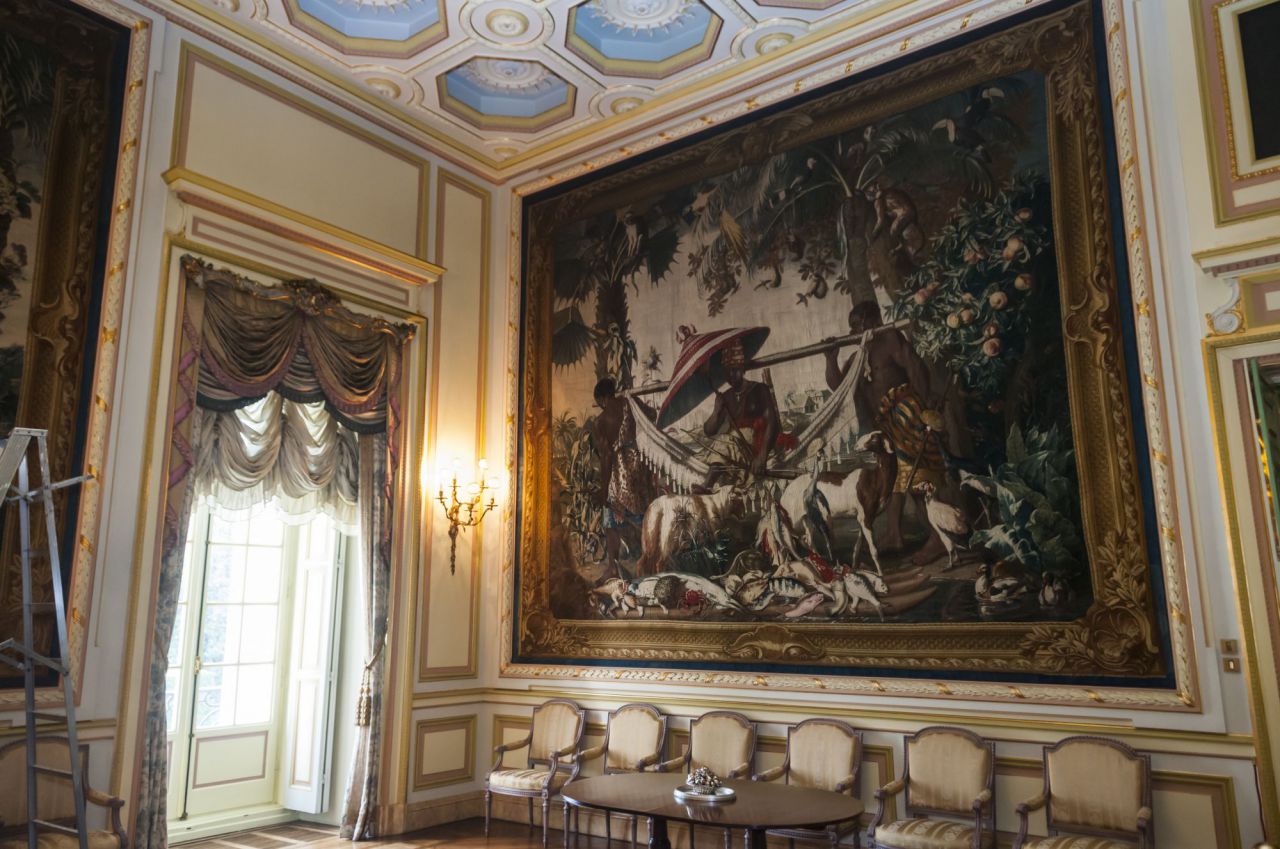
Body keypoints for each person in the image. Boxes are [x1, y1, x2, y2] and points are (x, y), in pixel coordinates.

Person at [825, 301, 949, 562]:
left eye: (858, 325)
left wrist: (925, 409)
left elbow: (915, 367)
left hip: (907, 416)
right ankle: (895, 534)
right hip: (884, 426)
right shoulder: (857, 358)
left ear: (874, 322)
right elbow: (840, 388)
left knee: (916, 478)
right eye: (852, 327)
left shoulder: (890, 339)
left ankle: (938, 539)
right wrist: (830, 358)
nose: (855, 331)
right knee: (894, 479)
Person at [590, 377, 652, 577]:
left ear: (601, 399)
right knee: (642, 516)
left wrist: (603, 491)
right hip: (638, 467)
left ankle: (613, 566)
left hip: (619, 473)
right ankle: (649, 561)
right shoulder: (630, 404)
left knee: (610, 524)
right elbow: (651, 415)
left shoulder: (601, 422)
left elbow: (607, 457)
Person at [701, 340, 785, 477]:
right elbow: (709, 431)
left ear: (743, 369)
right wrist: (716, 410)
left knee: (725, 442)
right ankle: (709, 482)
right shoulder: (726, 397)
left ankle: (708, 483)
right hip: (734, 450)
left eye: (735, 370)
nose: (731, 375)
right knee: (721, 444)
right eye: (727, 371)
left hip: (756, 448)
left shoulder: (759, 389)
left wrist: (762, 457)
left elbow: (772, 423)